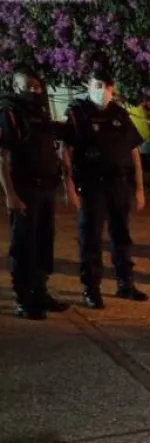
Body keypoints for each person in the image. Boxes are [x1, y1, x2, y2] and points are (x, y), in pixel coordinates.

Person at [62, 67, 148, 309]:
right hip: (92, 186)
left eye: (108, 87)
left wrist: (140, 189)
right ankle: (91, 288)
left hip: (119, 185)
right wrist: (68, 187)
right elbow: (65, 153)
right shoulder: (78, 114)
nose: (103, 91)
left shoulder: (119, 114)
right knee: (90, 238)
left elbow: (134, 153)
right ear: (88, 86)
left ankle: (125, 284)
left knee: (122, 236)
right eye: (98, 86)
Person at [0, 65, 67, 319]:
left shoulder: (40, 112)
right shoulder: (9, 114)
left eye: (36, 86)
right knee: (23, 246)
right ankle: (23, 299)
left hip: (46, 188)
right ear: (16, 87)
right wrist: (11, 195)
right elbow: (2, 158)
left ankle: (40, 291)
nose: (33, 90)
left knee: (43, 243)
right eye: (27, 86)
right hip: (24, 189)